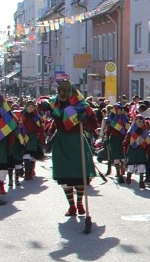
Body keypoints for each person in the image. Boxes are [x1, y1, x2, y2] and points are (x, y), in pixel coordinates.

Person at [47, 81, 99, 217]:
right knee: (65, 175)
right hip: (61, 142)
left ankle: (80, 203)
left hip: (76, 140)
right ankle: (71, 206)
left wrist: (85, 119)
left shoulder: (81, 105)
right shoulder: (54, 103)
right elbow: (43, 109)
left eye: (65, 90)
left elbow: (94, 123)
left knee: (79, 174)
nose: (62, 93)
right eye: (60, 90)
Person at [103, 103, 129, 183]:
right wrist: (106, 137)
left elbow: (128, 129)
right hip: (114, 139)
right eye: (118, 110)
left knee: (123, 155)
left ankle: (122, 170)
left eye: (121, 110)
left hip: (123, 139)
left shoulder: (125, 118)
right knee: (116, 155)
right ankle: (118, 172)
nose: (119, 111)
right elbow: (108, 130)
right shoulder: (112, 119)